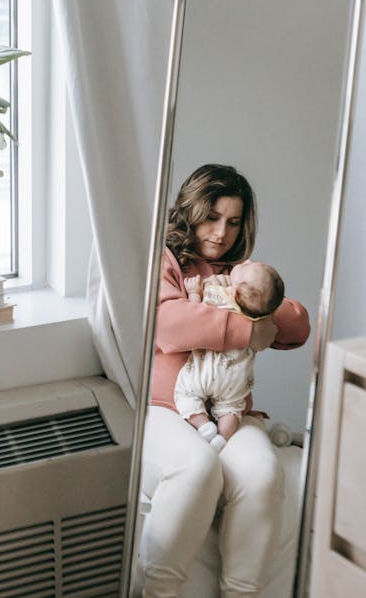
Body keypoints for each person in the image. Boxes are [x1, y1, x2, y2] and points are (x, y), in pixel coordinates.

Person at [141, 164, 310, 598]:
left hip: (233, 410)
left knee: (262, 474)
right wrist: (246, 328)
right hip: (169, 408)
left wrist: (258, 304)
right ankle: (159, 591)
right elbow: (167, 325)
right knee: (197, 468)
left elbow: (297, 324)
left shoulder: (243, 272)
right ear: (191, 212)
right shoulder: (165, 260)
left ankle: (242, 593)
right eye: (212, 218)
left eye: (234, 222)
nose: (221, 233)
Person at [175, 261, 285, 452]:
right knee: (231, 409)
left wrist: (194, 292)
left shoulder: (217, 296)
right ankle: (222, 437)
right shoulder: (262, 317)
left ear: (233, 293)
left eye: (245, 268)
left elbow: (193, 318)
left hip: (204, 371)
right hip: (235, 381)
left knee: (185, 394)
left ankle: (203, 426)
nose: (247, 261)